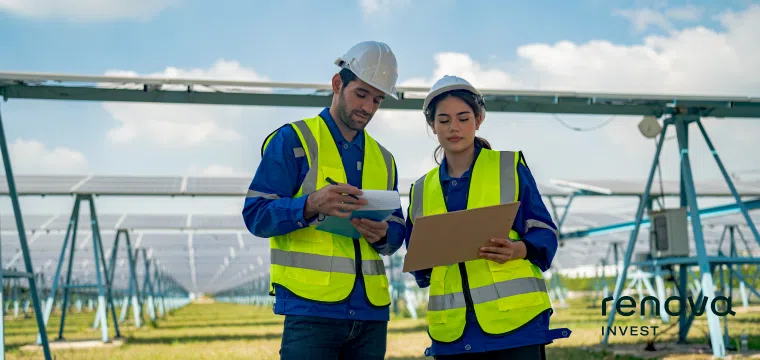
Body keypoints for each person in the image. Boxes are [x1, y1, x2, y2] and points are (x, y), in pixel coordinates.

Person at [242, 41, 406, 360]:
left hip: (371, 313)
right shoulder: (293, 141)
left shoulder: (384, 159)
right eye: (361, 94)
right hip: (311, 310)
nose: (369, 108)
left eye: (377, 99)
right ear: (337, 84)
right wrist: (310, 205)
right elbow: (256, 215)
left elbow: (397, 229)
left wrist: (385, 235)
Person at [404, 75, 571, 359]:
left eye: (463, 118)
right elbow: (420, 261)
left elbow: (544, 231)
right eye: (443, 120)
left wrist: (519, 249)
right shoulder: (420, 190)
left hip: (516, 326)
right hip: (452, 332)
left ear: (478, 119)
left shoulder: (509, 168)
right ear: (432, 126)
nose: (453, 127)